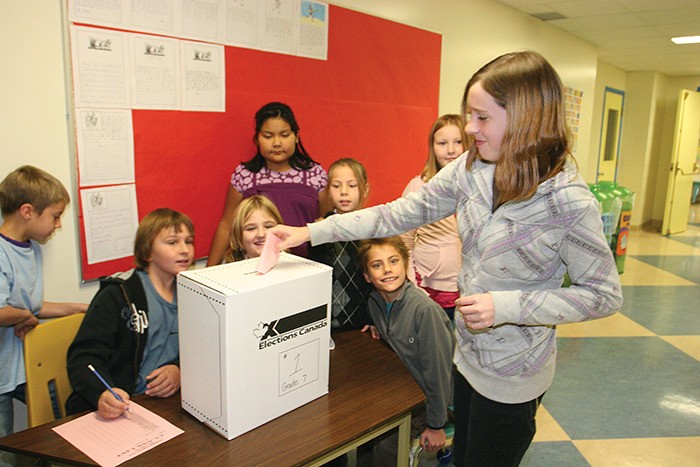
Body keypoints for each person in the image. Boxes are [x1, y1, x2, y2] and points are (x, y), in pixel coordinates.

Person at [270, 51, 623, 466]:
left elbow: (603, 294)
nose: (470, 128)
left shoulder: (568, 201)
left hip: (514, 377)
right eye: (468, 115)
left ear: (526, 118)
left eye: (482, 118)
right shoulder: (472, 169)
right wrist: (312, 230)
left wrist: (505, 306)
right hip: (467, 357)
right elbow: (397, 213)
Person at [66, 208, 194, 419]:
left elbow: (203, 353)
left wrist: (179, 371)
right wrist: (102, 392)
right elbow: (83, 358)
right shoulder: (118, 295)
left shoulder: (193, 293)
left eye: (188, 241)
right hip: (120, 405)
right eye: (172, 242)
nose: (184, 250)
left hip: (163, 405)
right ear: (147, 252)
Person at [0, 166, 87, 464]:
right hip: (1, 369)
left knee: (55, 427)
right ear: (27, 211)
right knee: (6, 451)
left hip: (25, 364)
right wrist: (24, 316)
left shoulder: (31, 249)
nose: (58, 224)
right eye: (55, 215)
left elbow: (31, 306)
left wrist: (77, 308)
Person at [357, 237, 453, 461]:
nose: (387, 270)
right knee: (361, 426)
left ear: (406, 265)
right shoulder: (375, 303)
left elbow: (438, 373)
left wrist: (436, 424)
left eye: (393, 261)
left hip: (434, 399)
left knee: (385, 443)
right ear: (367, 276)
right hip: (404, 387)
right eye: (377, 265)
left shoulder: (425, 311)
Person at [207, 102, 327, 264]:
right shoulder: (244, 175)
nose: (277, 143)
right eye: (268, 136)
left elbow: (324, 223)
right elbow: (227, 224)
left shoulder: (315, 174)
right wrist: (209, 271)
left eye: (284, 135)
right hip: (256, 267)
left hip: (308, 266)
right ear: (257, 138)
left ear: (296, 136)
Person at [400, 114, 467, 321]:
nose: (450, 150)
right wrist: (413, 285)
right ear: (432, 146)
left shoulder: (478, 188)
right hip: (429, 290)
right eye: (442, 143)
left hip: (469, 290)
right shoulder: (419, 187)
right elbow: (403, 242)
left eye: (458, 142)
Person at [308, 158, 372, 332]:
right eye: (336, 186)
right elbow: (315, 283)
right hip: (327, 324)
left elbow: (376, 283)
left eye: (352, 185)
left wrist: (374, 319)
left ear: (365, 189)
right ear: (328, 191)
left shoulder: (373, 230)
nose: (344, 192)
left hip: (362, 323)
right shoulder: (319, 230)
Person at [223, 195, 283, 262]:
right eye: (251, 228)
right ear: (238, 236)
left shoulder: (294, 266)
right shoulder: (228, 270)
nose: (261, 234)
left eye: (268, 226)